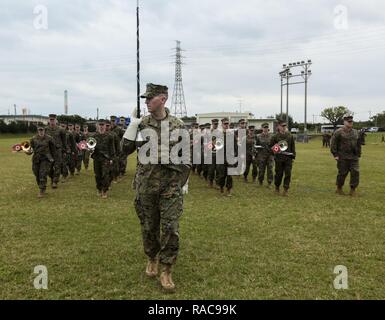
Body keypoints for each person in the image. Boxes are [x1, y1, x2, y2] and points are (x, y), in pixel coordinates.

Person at [122, 83, 190, 292]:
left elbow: (186, 157)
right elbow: (123, 150)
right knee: (149, 226)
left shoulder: (178, 125)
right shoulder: (142, 125)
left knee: (170, 228)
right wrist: (132, 126)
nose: (146, 102)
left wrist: (184, 181)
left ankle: (167, 269)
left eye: (150, 98)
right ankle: (152, 257)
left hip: (170, 186)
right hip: (146, 186)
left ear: (163, 99)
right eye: (145, 98)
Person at [330, 115, 362, 196]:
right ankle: (339, 188)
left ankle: (353, 190)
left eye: (351, 121)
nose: (351, 123)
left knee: (355, 172)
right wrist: (335, 154)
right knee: (342, 173)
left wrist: (359, 153)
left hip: (353, 156)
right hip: (342, 156)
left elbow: (358, 143)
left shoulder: (355, 132)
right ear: (344, 122)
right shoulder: (338, 132)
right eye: (349, 121)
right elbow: (333, 144)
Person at [270, 119, 296, 196]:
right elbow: (271, 146)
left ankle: (285, 189)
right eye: (282, 126)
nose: (284, 127)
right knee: (279, 174)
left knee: (288, 174)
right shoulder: (275, 136)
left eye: (285, 126)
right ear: (278, 126)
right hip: (279, 158)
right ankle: (277, 187)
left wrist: (293, 156)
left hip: (288, 158)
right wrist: (276, 150)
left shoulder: (290, 136)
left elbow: (293, 147)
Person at [92, 119, 115, 199]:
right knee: (97, 175)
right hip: (96, 158)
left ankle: (104, 191)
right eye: (100, 125)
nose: (101, 127)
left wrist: (112, 158)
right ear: (98, 126)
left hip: (106, 158)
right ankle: (99, 188)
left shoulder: (110, 136)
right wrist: (89, 149)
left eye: (103, 125)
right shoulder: (94, 136)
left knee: (105, 175)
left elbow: (112, 148)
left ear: (105, 126)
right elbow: (90, 147)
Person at [30, 126, 55, 197]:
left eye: (42, 130)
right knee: (36, 173)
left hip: (46, 158)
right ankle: (41, 186)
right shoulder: (33, 139)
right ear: (37, 131)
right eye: (39, 130)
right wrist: (27, 151)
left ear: (44, 130)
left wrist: (53, 158)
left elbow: (53, 149)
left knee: (42, 174)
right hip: (36, 159)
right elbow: (31, 149)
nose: (41, 131)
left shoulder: (49, 138)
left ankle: (42, 190)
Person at [45, 114, 67, 188]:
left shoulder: (61, 130)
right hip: (48, 151)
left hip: (58, 150)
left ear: (56, 120)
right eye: (50, 119)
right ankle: (52, 178)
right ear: (49, 120)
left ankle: (55, 181)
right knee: (49, 167)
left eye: (53, 120)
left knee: (57, 166)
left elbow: (64, 142)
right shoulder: (45, 129)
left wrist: (64, 151)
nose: (52, 121)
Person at [216, 118, 236, 196]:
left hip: (230, 157)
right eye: (225, 124)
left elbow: (235, 146)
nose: (226, 125)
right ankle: (221, 187)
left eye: (227, 124)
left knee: (230, 174)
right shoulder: (218, 135)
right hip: (221, 156)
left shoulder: (232, 134)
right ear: (222, 125)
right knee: (222, 175)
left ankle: (229, 189)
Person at [255, 123, 274, 187]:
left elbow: (274, 145)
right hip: (261, 155)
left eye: (266, 127)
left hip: (270, 155)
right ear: (262, 128)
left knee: (270, 169)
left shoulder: (272, 136)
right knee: (261, 169)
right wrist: (256, 155)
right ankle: (260, 181)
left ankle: (269, 182)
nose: (265, 129)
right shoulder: (258, 136)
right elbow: (255, 146)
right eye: (264, 127)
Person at [207, 119, 219, 188]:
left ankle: (217, 183)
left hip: (218, 153)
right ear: (212, 124)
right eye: (214, 124)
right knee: (211, 169)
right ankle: (210, 181)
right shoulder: (209, 133)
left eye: (217, 124)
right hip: (211, 153)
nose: (216, 125)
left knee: (218, 169)